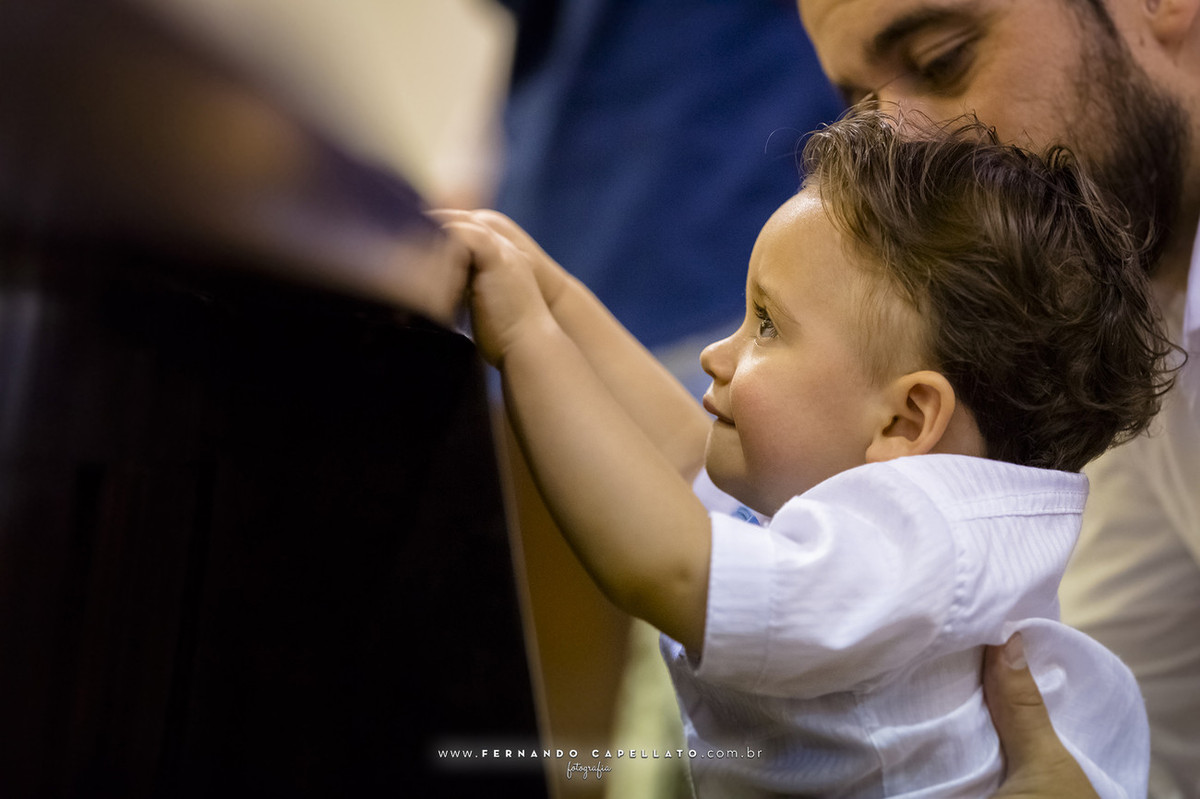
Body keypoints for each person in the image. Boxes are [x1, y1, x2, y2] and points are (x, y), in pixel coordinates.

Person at [436, 111, 1173, 797]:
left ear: (906, 418)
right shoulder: (880, 522)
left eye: (766, 324)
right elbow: (675, 453)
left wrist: (526, 339)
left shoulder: (926, 542)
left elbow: (669, 565)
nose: (717, 355)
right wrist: (546, 287)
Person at [795, 2, 1200, 795]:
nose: (906, 154)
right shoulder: (1117, 300)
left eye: (943, 60)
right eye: (865, 112)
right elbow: (1144, 740)